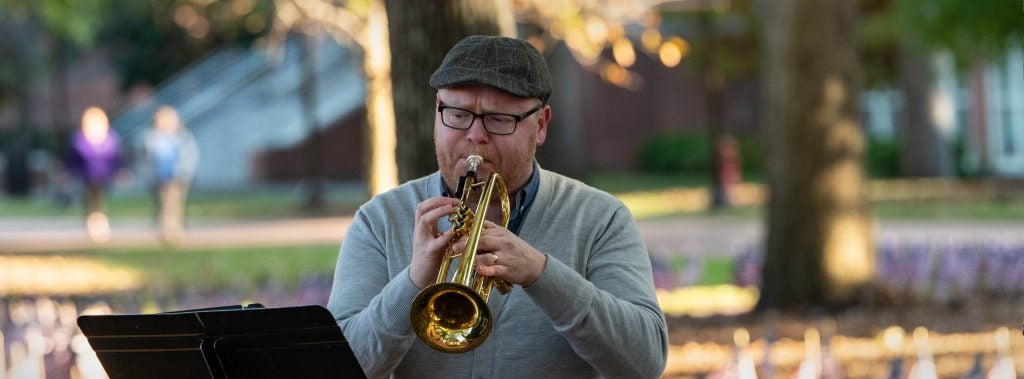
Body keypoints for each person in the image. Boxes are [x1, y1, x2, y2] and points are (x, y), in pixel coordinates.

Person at [327, 35, 668, 378]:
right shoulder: (379, 220)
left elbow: (645, 362)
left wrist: (543, 275)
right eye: (458, 115)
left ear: (541, 125)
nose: (475, 135)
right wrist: (413, 283)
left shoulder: (601, 219)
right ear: (437, 111)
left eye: (500, 119)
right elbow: (339, 367)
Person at [141, 105, 198, 243]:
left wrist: (185, 172)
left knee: (175, 203)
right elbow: (147, 159)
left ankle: (175, 228)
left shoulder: (183, 137)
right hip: (159, 178)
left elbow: (190, 155)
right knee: (163, 204)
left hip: (178, 177)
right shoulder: (152, 138)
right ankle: (165, 229)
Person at [66, 107, 123, 243]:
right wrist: (69, 173)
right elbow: (72, 159)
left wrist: (119, 171)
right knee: (90, 201)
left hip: (104, 177)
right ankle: (92, 224)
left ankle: (100, 225)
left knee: (100, 201)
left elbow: (117, 158)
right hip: (87, 177)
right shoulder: (80, 140)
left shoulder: (110, 139)